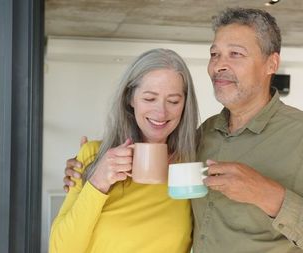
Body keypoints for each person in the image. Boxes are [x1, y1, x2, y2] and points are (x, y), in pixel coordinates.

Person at [63, 8, 303, 253]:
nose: (218, 66)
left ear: (272, 64)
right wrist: (85, 173)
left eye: (236, 54)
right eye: (215, 54)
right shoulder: (201, 138)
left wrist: (271, 197)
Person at [49, 48, 200, 253]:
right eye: (149, 98)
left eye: (173, 101)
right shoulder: (93, 155)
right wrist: (97, 183)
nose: (161, 112)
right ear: (130, 98)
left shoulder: (190, 165)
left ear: (185, 105)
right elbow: (60, 249)